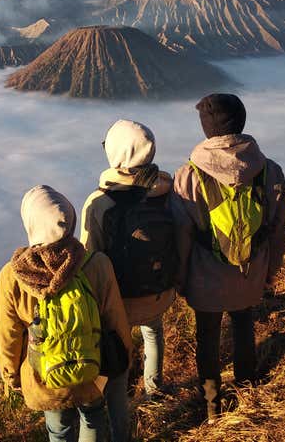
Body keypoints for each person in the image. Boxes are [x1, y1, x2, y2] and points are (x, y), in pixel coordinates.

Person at [172, 93, 285, 422]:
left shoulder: (188, 176)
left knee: (207, 338)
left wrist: (180, 279)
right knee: (243, 326)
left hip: (205, 278)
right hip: (250, 272)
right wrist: (271, 270)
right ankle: (246, 387)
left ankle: (212, 406)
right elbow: (279, 227)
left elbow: (182, 235)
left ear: (206, 128)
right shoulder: (269, 170)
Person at [0, 185, 133, 442]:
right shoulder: (96, 264)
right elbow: (115, 319)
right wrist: (125, 357)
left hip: (44, 376)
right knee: (93, 417)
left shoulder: (12, 276)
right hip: (92, 366)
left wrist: (11, 377)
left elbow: (8, 335)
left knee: (59, 430)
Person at [80, 120, 179, 440]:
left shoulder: (99, 202)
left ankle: (120, 430)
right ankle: (154, 391)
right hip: (159, 293)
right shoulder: (167, 191)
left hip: (118, 303)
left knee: (118, 365)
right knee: (153, 333)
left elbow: (88, 258)